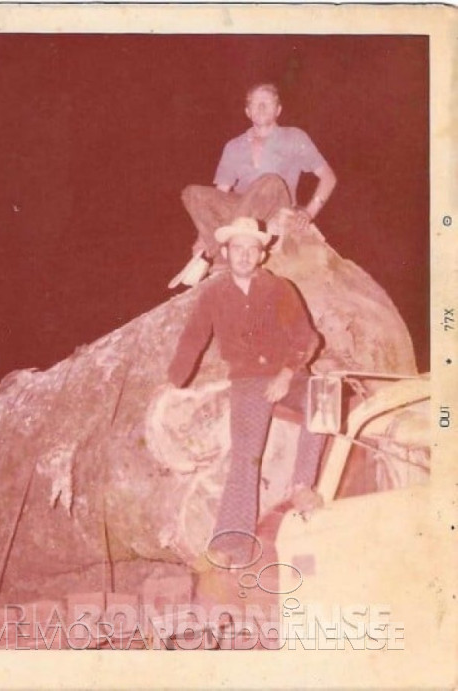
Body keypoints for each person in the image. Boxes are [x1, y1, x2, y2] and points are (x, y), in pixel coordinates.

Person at [166, 216, 325, 565]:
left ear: (261, 255)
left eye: (251, 249)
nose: (244, 255)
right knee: (246, 456)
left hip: (288, 374)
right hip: (249, 380)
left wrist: (287, 373)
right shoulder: (214, 294)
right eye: (237, 248)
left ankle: (302, 486)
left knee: (323, 393)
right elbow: (193, 339)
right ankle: (230, 545)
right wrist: (173, 383)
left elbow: (306, 337)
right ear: (226, 252)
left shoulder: (279, 288)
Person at [180, 83, 338, 268]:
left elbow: (328, 177)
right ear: (248, 112)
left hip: (276, 205)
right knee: (192, 193)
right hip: (241, 208)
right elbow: (221, 193)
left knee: (270, 181)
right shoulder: (234, 146)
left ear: (278, 110)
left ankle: (219, 254)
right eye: (255, 103)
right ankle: (216, 249)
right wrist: (202, 237)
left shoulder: (294, 137)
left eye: (267, 102)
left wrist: (309, 212)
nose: (261, 107)